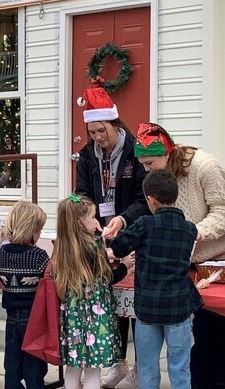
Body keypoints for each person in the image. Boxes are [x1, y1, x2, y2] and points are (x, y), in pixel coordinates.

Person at [131, 122, 225, 388]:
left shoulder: (205, 168)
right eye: (143, 164)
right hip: (184, 263)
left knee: (216, 330)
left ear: (168, 153)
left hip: (215, 260)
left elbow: (224, 212)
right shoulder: (158, 177)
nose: (146, 169)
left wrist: (193, 232)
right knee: (197, 336)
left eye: (150, 163)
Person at [75, 80, 149, 388]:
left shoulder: (134, 151)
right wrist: (89, 220)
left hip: (131, 232)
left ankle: (139, 366)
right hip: (101, 234)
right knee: (111, 296)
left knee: (133, 301)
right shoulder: (87, 156)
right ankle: (118, 362)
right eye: (92, 133)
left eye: (101, 131)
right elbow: (81, 193)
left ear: (115, 124)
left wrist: (123, 218)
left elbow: (145, 199)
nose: (97, 138)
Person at [107, 169, 202, 388]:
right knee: (180, 368)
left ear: (150, 200)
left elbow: (119, 247)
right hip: (178, 307)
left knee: (148, 368)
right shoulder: (189, 229)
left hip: (148, 307)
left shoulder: (144, 224)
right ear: (175, 197)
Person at [53, 194, 133, 389]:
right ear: (80, 223)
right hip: (95, 317)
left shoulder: (61, 247)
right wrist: (125, 265)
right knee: (93, 369)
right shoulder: (95, 245)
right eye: (92, 217)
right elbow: (108, 278)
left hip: (72, 317)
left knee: (72, 368)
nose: (97, 222)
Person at [0, 201, 49, 389]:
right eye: (39, 230)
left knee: (12, 364)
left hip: (11, 316)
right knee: (34, 366)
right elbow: (50, 280)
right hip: (33, 318)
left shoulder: (2, 252)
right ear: (32, 229)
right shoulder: (39, 256)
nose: (40, 234)